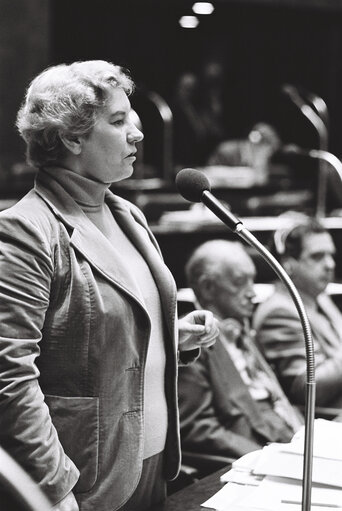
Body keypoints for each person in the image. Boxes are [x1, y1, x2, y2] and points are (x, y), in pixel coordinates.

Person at [0, 60, 219, 511]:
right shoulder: (26, 230)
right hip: (85, 483)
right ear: (71, 137)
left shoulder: (128, 215)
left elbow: (96, 338)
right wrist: (53, 487)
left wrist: (172, 338)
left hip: (153, 466)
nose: (137, 133)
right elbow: (9, 376)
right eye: (118, 122)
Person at [178, 240, 303, 460]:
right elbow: (197, 429)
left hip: (289, 436)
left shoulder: (241, 330)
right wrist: (263, 459)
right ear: (208, 287)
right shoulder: (191, 342)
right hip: (254, 453)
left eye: (252, 280)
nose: (252, 293)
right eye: (239, 282)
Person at [254, 217, 342, 409]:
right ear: (288, 265)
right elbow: (308, 390)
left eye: (331, 255)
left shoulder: (319, 297)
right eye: (317, 256)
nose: (330, 264)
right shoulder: (278, 312)